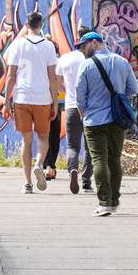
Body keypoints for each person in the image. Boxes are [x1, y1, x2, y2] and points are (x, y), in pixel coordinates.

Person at [74, 30, 138, 216]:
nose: (82, 50)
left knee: (98, 160)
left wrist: (84, 114)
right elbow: (133, 89)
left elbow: (79, 96)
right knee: (114, 159)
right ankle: (114, 200)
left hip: (94, 120)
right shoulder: (121, 61)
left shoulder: (86, 66)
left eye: (83, 46)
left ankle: (104, 203)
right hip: (118, 120)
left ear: (94, 42)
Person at [1, 11, 61, 194]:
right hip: (42, 99)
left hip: (22, 98)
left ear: (26, 26)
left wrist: (5, 101)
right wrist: (55, 103)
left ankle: (27, 183)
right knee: (43, 138)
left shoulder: (17, 45)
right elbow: (53, 79)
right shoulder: (49, 47)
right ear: (41, 26)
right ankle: (39, 163)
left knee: (26, 142)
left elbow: (10, 76)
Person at [55, 26, 93, 196]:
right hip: (90, 109)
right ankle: (86, 180)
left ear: (77, 39)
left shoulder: (65, 59)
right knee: (90, 145)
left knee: (72, 145)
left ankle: (72, 170)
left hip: (71, 106)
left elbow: (56, 81)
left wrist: (68, 89)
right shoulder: (91, 61)